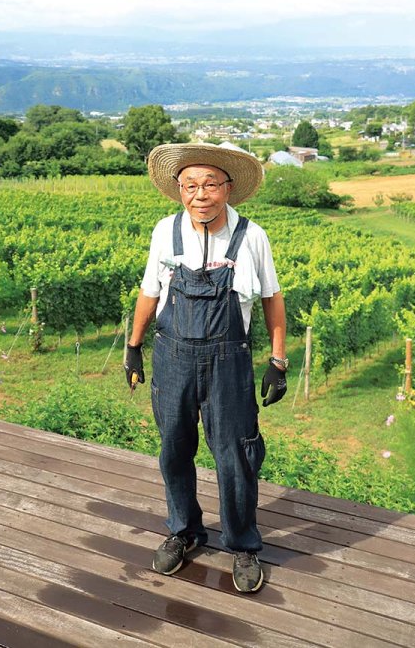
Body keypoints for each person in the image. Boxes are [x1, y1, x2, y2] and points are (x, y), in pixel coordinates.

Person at [124, 142, 287, 593]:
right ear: (179, 190)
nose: (200, 194)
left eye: (209, 185)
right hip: (172, 355)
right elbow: (150, 292)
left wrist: (277, 360)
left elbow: (273, 298)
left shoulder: (251, 236)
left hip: (228, 360)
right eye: (190, 185)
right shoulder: (165, 232)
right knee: (174, 448)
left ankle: (242, 544)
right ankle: (184, 531)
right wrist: (133, 347)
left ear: (228, 189)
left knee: (235, 454)